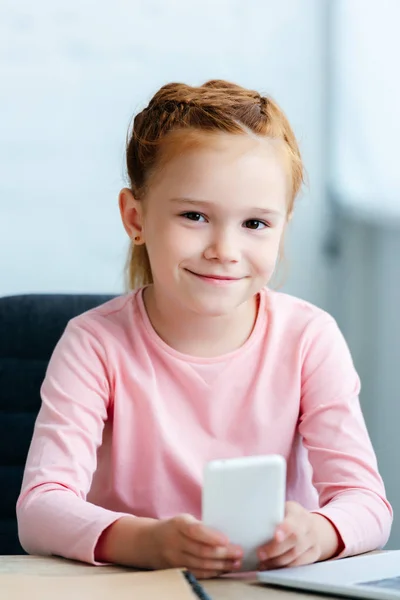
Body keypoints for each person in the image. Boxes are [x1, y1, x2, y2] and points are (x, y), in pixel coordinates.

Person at [17, 80, 392, 579]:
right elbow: (40, 508)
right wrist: (150, 543)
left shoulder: (309, 338)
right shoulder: (94, 344)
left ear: (284, 225)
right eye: (194, 215)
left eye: (255, 224)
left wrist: (319, 532)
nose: (225, 249)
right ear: (136, 218)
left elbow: (367, 503)